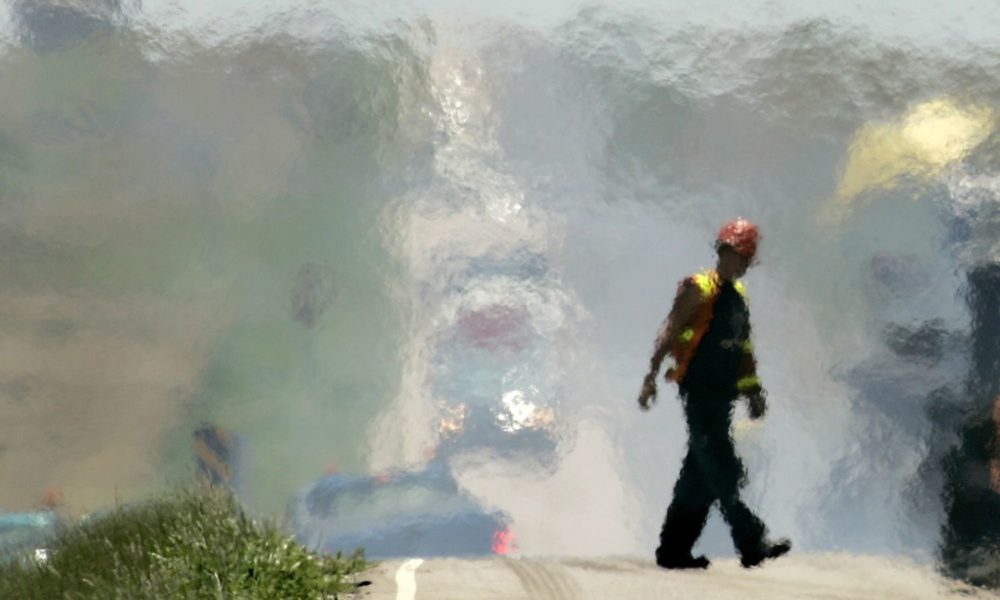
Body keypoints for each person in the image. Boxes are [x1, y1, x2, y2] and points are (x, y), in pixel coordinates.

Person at [638, 218, 791, 569]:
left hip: (723, 396)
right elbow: (670, 330)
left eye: (744, 258)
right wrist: (650, 376)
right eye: (733, 254)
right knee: (724, 467)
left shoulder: (738, 299)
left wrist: (753, 391)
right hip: (699, 392)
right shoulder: (698, 287)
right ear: (721, 252)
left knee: (699, 475)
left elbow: (743, 350)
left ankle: (673, 551)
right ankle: (751, 541)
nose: (738, 262)